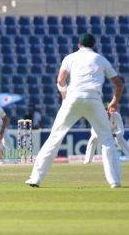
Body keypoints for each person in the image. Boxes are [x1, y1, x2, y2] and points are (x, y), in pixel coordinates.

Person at [25, 33, 124, 188]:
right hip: (94, 100)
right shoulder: (100, 59)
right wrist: (113, 102)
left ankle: (35, 178)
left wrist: (64, 95)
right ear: (93, 45)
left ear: (79, 45)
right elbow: (119, 85)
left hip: (73, 98)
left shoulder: (70, 58)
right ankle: (114, 181)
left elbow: (61, 79)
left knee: (54, 137)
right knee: (106, 140)